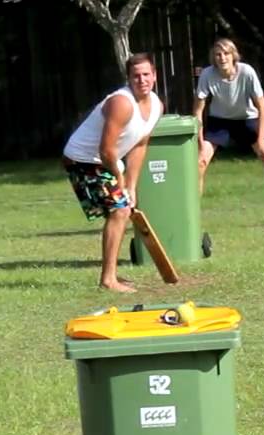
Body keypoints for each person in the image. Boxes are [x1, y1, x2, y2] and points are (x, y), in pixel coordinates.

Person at [62, 52, 163, 293]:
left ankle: (111, 276)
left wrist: (131, 185)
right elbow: (106, 150)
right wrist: (119, 181)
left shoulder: (157, 105)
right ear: (128, 78)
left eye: (146, 75)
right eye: (136, 76)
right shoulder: (121, 103)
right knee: (120, 210)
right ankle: (108, 280)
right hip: (83, 160)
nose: (142, 80)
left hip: (107, 160)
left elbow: (140, 144)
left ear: (155, 76)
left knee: (122, 207)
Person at [194, 38, 264, 227]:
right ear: (213, 57)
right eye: (218, 54)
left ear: (233, 55)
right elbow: (198, 110)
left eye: (226, 53)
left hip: (248, 120)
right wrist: (200, 141)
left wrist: (260, 138)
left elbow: (263, 107)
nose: (222, 57)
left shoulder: (247, 72)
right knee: (199, 164)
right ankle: (191, 220)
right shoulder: (207, 74)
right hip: (220, 122)